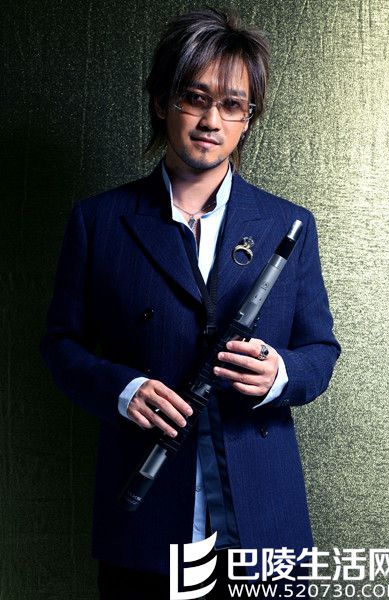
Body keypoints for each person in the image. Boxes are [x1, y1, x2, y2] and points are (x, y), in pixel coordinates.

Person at [40, 8, 340, 600]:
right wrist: (123, 389)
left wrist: (280, 373)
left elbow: (321, 350)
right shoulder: (99, 221)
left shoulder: (290, 224)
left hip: (263, 520)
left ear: (249, 118)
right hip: (143, 519)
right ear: (161, 102)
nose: (211, 121)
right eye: (194, 98)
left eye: (232, 105)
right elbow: (61, 345)